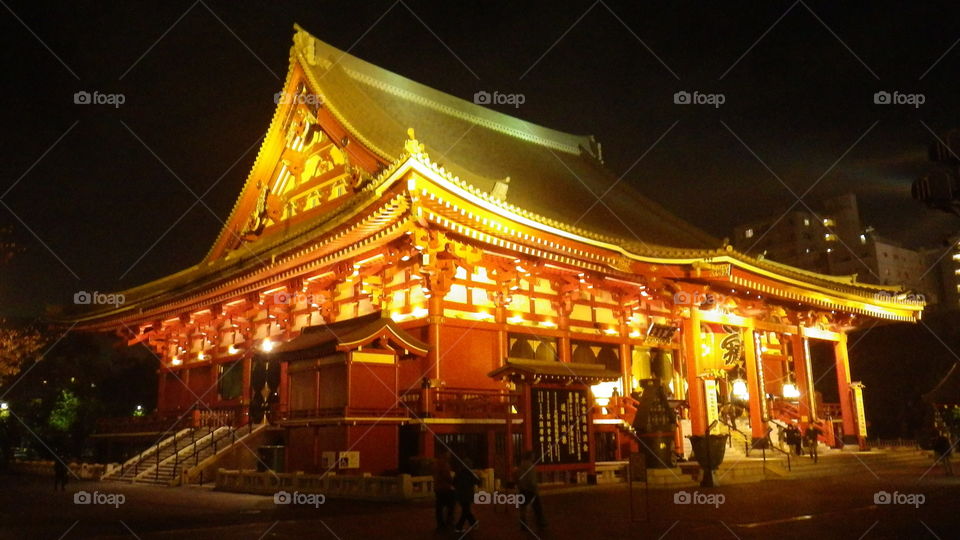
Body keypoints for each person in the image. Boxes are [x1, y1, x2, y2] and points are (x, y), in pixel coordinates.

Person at [514, 451, 546, 531]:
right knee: (537, 507)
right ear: (530, 457)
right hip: (531, 490)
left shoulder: (521, 465)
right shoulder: (530, 466)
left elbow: (517, 477)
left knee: (523, 508)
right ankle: (540, 522)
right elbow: (532, 480)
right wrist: (535, 489)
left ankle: (523, 524)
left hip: (522, 489)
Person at [453, 459, 479, 533]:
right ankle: (459, 527)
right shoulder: (470, 473)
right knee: (466, 511)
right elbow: (477, 481)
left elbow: (454, 483)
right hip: (467, 495)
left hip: (460, 495)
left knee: (466, 510)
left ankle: (473, 523)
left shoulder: (459, 473)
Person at [432, 451, 455, 530]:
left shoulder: (435, 464)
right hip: (445, 488)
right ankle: (448, 522)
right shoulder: (444, 464)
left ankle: (440, 524)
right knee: (451, 505)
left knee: (439, 507)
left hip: (438, 488)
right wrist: (452, 481)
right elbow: (447, 476)